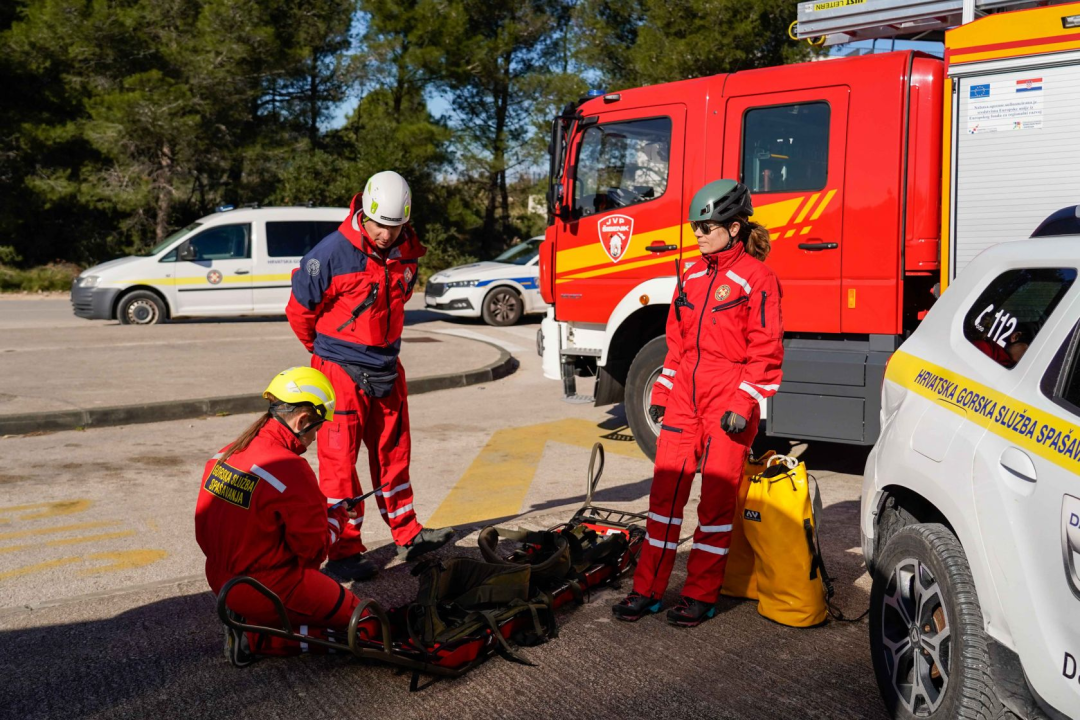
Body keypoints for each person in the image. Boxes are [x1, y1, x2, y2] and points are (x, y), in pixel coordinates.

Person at [612, 179, 784, 627]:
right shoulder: (689, 274)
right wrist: (664, 392)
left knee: (715, 504)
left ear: (734, 227)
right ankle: (646, 590)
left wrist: (745, 403)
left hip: (728, 400)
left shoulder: (758, 278)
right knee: (664, 497)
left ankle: (700, 595)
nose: (699, 234)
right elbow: (677, 343)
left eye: (707, 226)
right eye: (696, 226)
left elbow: (766, 350)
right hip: (685, 401)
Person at [286, 170, 453, 581]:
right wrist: (323, 354)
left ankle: (408, 534)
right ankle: (343, 550)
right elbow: (299, 311)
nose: (384, 234)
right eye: (379, 224)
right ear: (364, 212)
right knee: (339, 465)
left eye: (394, 227)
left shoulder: (407, 252)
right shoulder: (329, 254)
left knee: (394, 454)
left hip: (386, 367)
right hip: (339, 369)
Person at [195, 367, 360, 666]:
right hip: (266, 589)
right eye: (317, 427)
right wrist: (336, 519)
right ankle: (258, 638)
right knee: (361, 623)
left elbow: (229, 523)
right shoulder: (291, 469)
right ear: (303, 420)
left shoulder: (226, 454)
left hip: (221, 579)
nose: (316, 436)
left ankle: (247, 621)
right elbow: (312, 553)